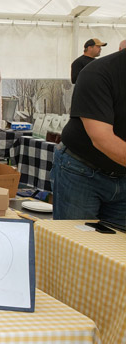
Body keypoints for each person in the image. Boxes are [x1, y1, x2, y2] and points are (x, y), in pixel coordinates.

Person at [52, 49, 126, 228]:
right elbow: (102, 138)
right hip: (82, 171)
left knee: (117, 252)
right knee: (75, 246)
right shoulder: (98, 73)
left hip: (122, 172)